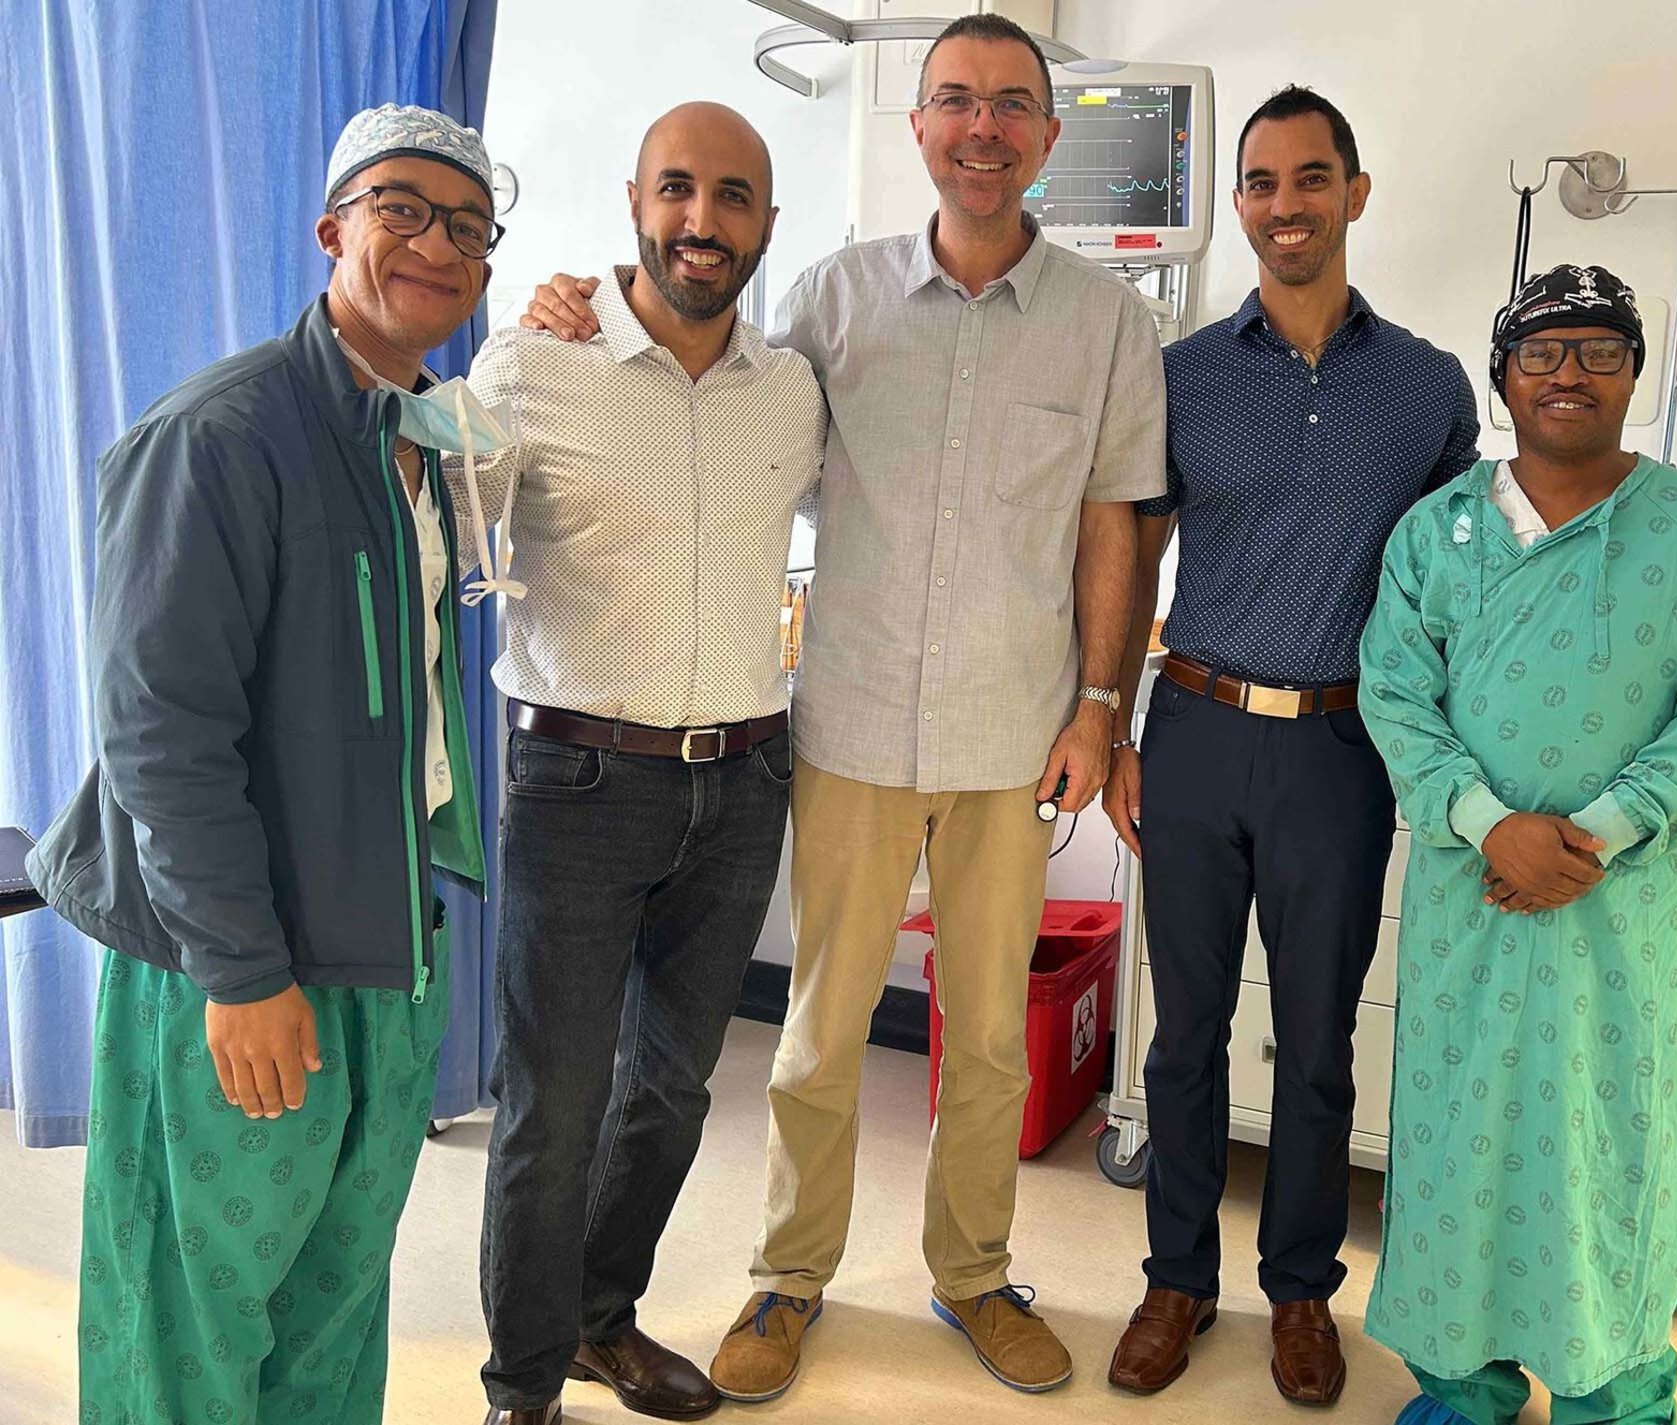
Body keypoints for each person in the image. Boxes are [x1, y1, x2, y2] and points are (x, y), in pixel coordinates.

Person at [521, 12, 1164, 1401]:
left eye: (1010, 105)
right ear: (919, 128)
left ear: (1045, 138)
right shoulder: (828, 298)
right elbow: (699, 371)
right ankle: (789, 1275)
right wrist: (566, 311)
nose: (982, 128)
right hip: (851, 729)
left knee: (989, 1035)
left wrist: (1101, 706)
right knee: (817, 1038)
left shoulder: (1109, 324)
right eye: (954, 102)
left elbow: (1115, 522)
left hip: (1014, 741)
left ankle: (975, 1272)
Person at [27, 104, 498, 1425]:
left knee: (337, 1294)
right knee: (194, 1303)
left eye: (468, 227)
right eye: (402, 208)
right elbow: (159, 733)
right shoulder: (220, 437)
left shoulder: (408, 444)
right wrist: (241, 970)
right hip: (233, 957)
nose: (436, 244)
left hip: (381, 939)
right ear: (332, 228)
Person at [1098, 86, 1479, 1407]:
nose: (1284, 205)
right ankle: (1177, 1279)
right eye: (1259, 183)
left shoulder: (1429, 390)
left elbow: (1453, 587)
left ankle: (1302, 1293)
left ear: (1355, 193)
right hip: (1195, 727)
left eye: (1309, 179)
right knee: (1184, 1030)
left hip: (1340, 752)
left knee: (1317, 1038)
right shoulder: (1181, 375)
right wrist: (1113, 716)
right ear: (1241, 203)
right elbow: (1134, 552)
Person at [1357, 264, 1677, 1425]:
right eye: (1542, 353)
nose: (1569, 375)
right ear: (1502, 376)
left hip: (1618, 911)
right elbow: (1394, 694)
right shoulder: (1435, 532)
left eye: (1599, 351)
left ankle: (1617, 1390)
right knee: (1463, 1145)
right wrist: (1491, 825)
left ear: (1633, 375)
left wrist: (1590, 835)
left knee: (1611, 1150)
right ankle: (1465, 1380)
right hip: (1471, 896)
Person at [464, 103, 825, 1425]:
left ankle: (598, 1321)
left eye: (733, 199)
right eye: (678, 191)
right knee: (552, 1108)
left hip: (742, 785)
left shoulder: (791, 393)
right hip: (577, 786)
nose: (702, 221)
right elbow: (434, 531)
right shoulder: (528, 366)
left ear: (766, 226)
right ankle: (521, 1384)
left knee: (671, 1086)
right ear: (633, 200)